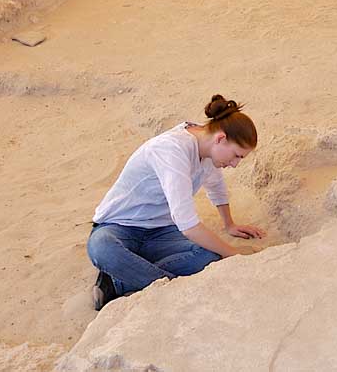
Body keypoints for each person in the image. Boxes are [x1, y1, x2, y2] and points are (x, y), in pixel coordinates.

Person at [86, 94, 265, 310]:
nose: (235, 164)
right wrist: (236, 255)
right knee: (102, 248)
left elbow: (216, 187)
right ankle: (167, 287)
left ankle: (119, 281)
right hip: (118, 226)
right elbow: (188, 225)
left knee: (208, 256)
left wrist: (230, 224)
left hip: (161, 231)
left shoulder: (208, 150)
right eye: (237, 156)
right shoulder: (171, 150)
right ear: (220, 138)